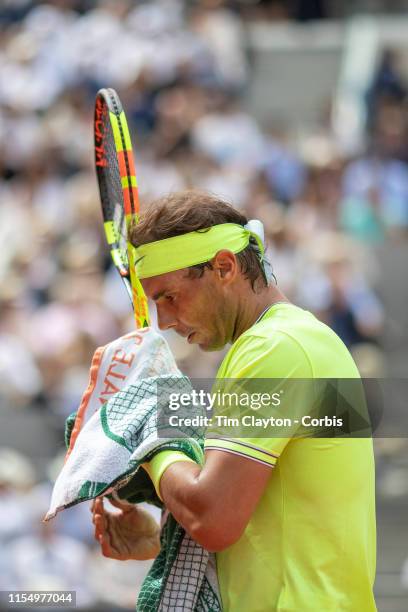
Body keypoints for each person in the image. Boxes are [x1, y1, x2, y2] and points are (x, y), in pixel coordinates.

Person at [92, 191, 377, 611]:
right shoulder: (295, 340)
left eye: (168, 297)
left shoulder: (275, 348)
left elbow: (214, 518)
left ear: (224, 267)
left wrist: (152, 433)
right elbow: (268, 512)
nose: (164, 322)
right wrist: (158, 538)